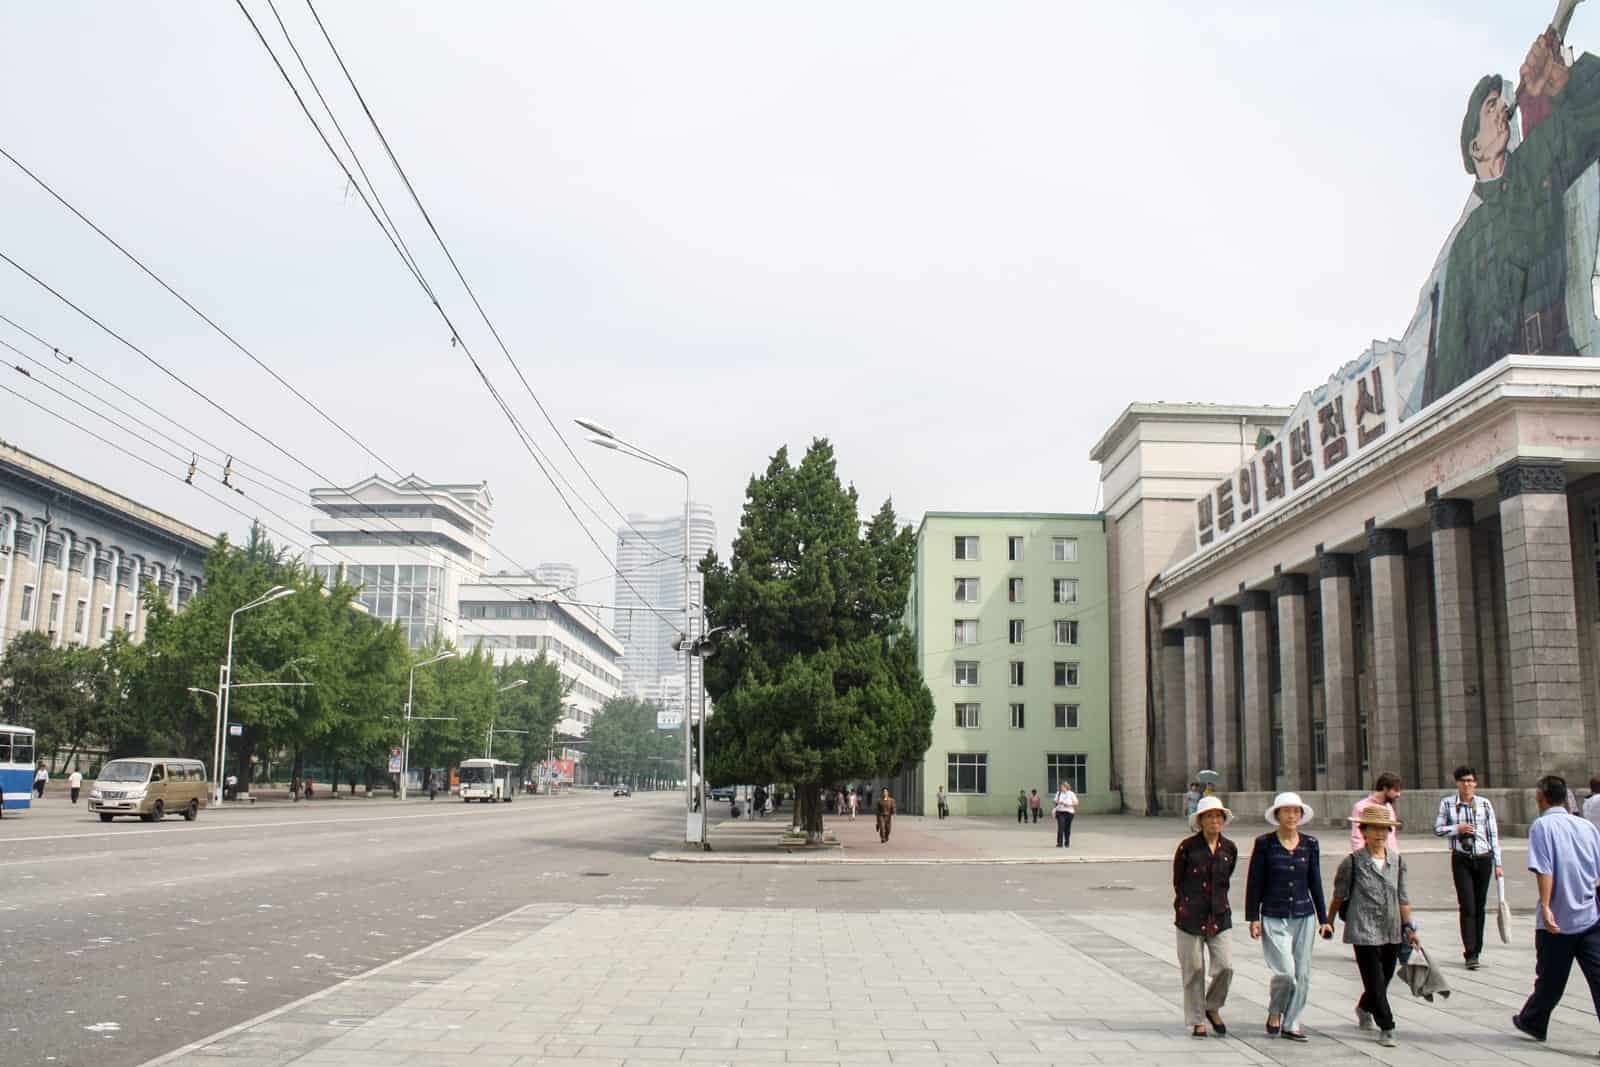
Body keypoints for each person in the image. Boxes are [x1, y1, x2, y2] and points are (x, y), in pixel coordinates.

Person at [1426, 33, 1600, 405]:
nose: (1501, 109)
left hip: (1564, 366)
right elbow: (1453, 361)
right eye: (1490, 108)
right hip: (1502, 402)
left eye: (1500, 103)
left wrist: (1562, 82)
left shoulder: (1536, 160)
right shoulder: (1465, 246)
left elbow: (1591, 125)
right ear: (1475, 148)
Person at [1511, 775, 1600, 1044]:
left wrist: (1547, 906)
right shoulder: (1587, 828)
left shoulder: (1541, 826)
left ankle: (1533, 1020)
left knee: (1550, 979)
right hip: (1590, 916)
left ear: (1541, 797)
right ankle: (1532, 1021)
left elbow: (1544, 869)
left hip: (1557, 921)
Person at [1330, 805, 1419, 1049]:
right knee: (1375, 979)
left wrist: (1409, 927)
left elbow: (1403, 897)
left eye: (1384, 829)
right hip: (1363, 927)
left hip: (1391, 927)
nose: (1379, 834)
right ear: (1364, 831)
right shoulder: (1353, 862)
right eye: (1374, 829)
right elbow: (1339, 895)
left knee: (1386, 975)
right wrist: (1328, 921)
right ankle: (1387, 1025)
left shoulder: (1397, 861)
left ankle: (1364, 1006)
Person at [1245, 792, 1331, 1041]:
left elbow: (1315, 881)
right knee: (1285, 972)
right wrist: (1254, 917)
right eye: (1287, 811)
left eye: (1296, 811)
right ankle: (1275, 1010)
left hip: (1304, 915)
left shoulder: (1310, 844)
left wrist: (1324, 918)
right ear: (1277, 815)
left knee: (1302, 974)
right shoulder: (1265, 843)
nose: (1292, 816)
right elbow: (1254, 882)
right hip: (1273, 914)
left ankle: (1291, 1023)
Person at [1173, 795, 1238, 1039]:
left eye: (1218, 816)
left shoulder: (1229, 848)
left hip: (1219, 915)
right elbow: (1178, 881)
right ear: (1200, 821)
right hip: (1190, 916)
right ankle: (1197, 1019)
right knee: (1194, 970)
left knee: (1226, 966)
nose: (1214, 820)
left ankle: (1212, 1006)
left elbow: (1226, 878)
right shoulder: (1187, 847)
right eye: (1209, 816)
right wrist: (1185, 905)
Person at [1433, 765, 1503, 969]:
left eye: (1470, 781)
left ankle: (1477, 950)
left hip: (1483, 857)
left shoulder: (1485, 804)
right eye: (1463, 781)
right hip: (1461, 858)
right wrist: (1458, 829)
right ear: (1457, 783)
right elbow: (1437, 829)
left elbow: (1493, 835)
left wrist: (1498, 863)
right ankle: (1470, 952)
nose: (1467, 784)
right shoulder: (1447, 804)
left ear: (1476, 783)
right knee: (1467, 905)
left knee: (1479, 906)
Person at [1349, 772, 1403, 853]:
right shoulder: (1361, 807)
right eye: (1395, 790)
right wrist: (1361, 860)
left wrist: (1396, 857)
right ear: (1385, 788)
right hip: (1369, 858)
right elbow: (1357, 838)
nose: (1398, 794)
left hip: (1391, 859)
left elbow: (1391, 837)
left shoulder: (1389, 807)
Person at [1052, 779, 1079, 848]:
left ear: (1066, 787)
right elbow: (1055, 801)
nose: (1061, 788)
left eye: (1063, 787)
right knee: (1061, 827)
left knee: (1067, 828)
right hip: (1060, 812)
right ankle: (1059, 843)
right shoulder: (1058, 793)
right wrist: (1059, 802)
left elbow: (1076, 803)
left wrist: (1069, 804)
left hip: (1069, 812)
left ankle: (1067, 842)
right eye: (1061, 787)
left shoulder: (1071, 793)